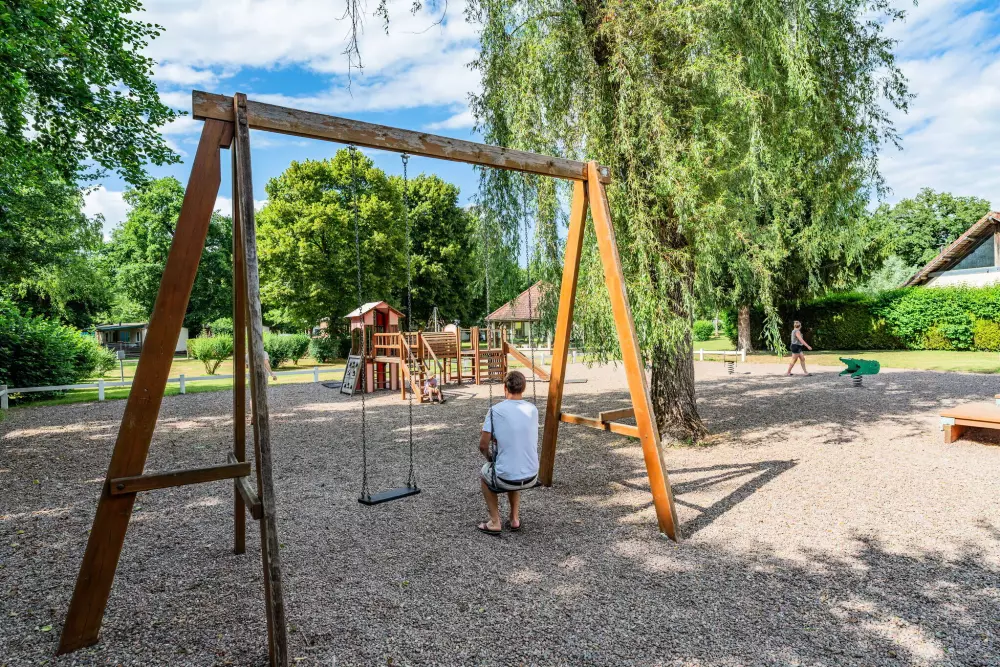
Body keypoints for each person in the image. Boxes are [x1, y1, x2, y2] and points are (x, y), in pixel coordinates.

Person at [477, 371, 539, 535]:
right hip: (532, 476)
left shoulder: (495, 410)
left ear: (505, 387)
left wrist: (490, 458)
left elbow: (483, 445)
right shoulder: (532, 409)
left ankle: (495, 522)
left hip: (506, 477)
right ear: (524, 388)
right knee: (514, 462)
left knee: (485, 474)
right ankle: (514, 518)